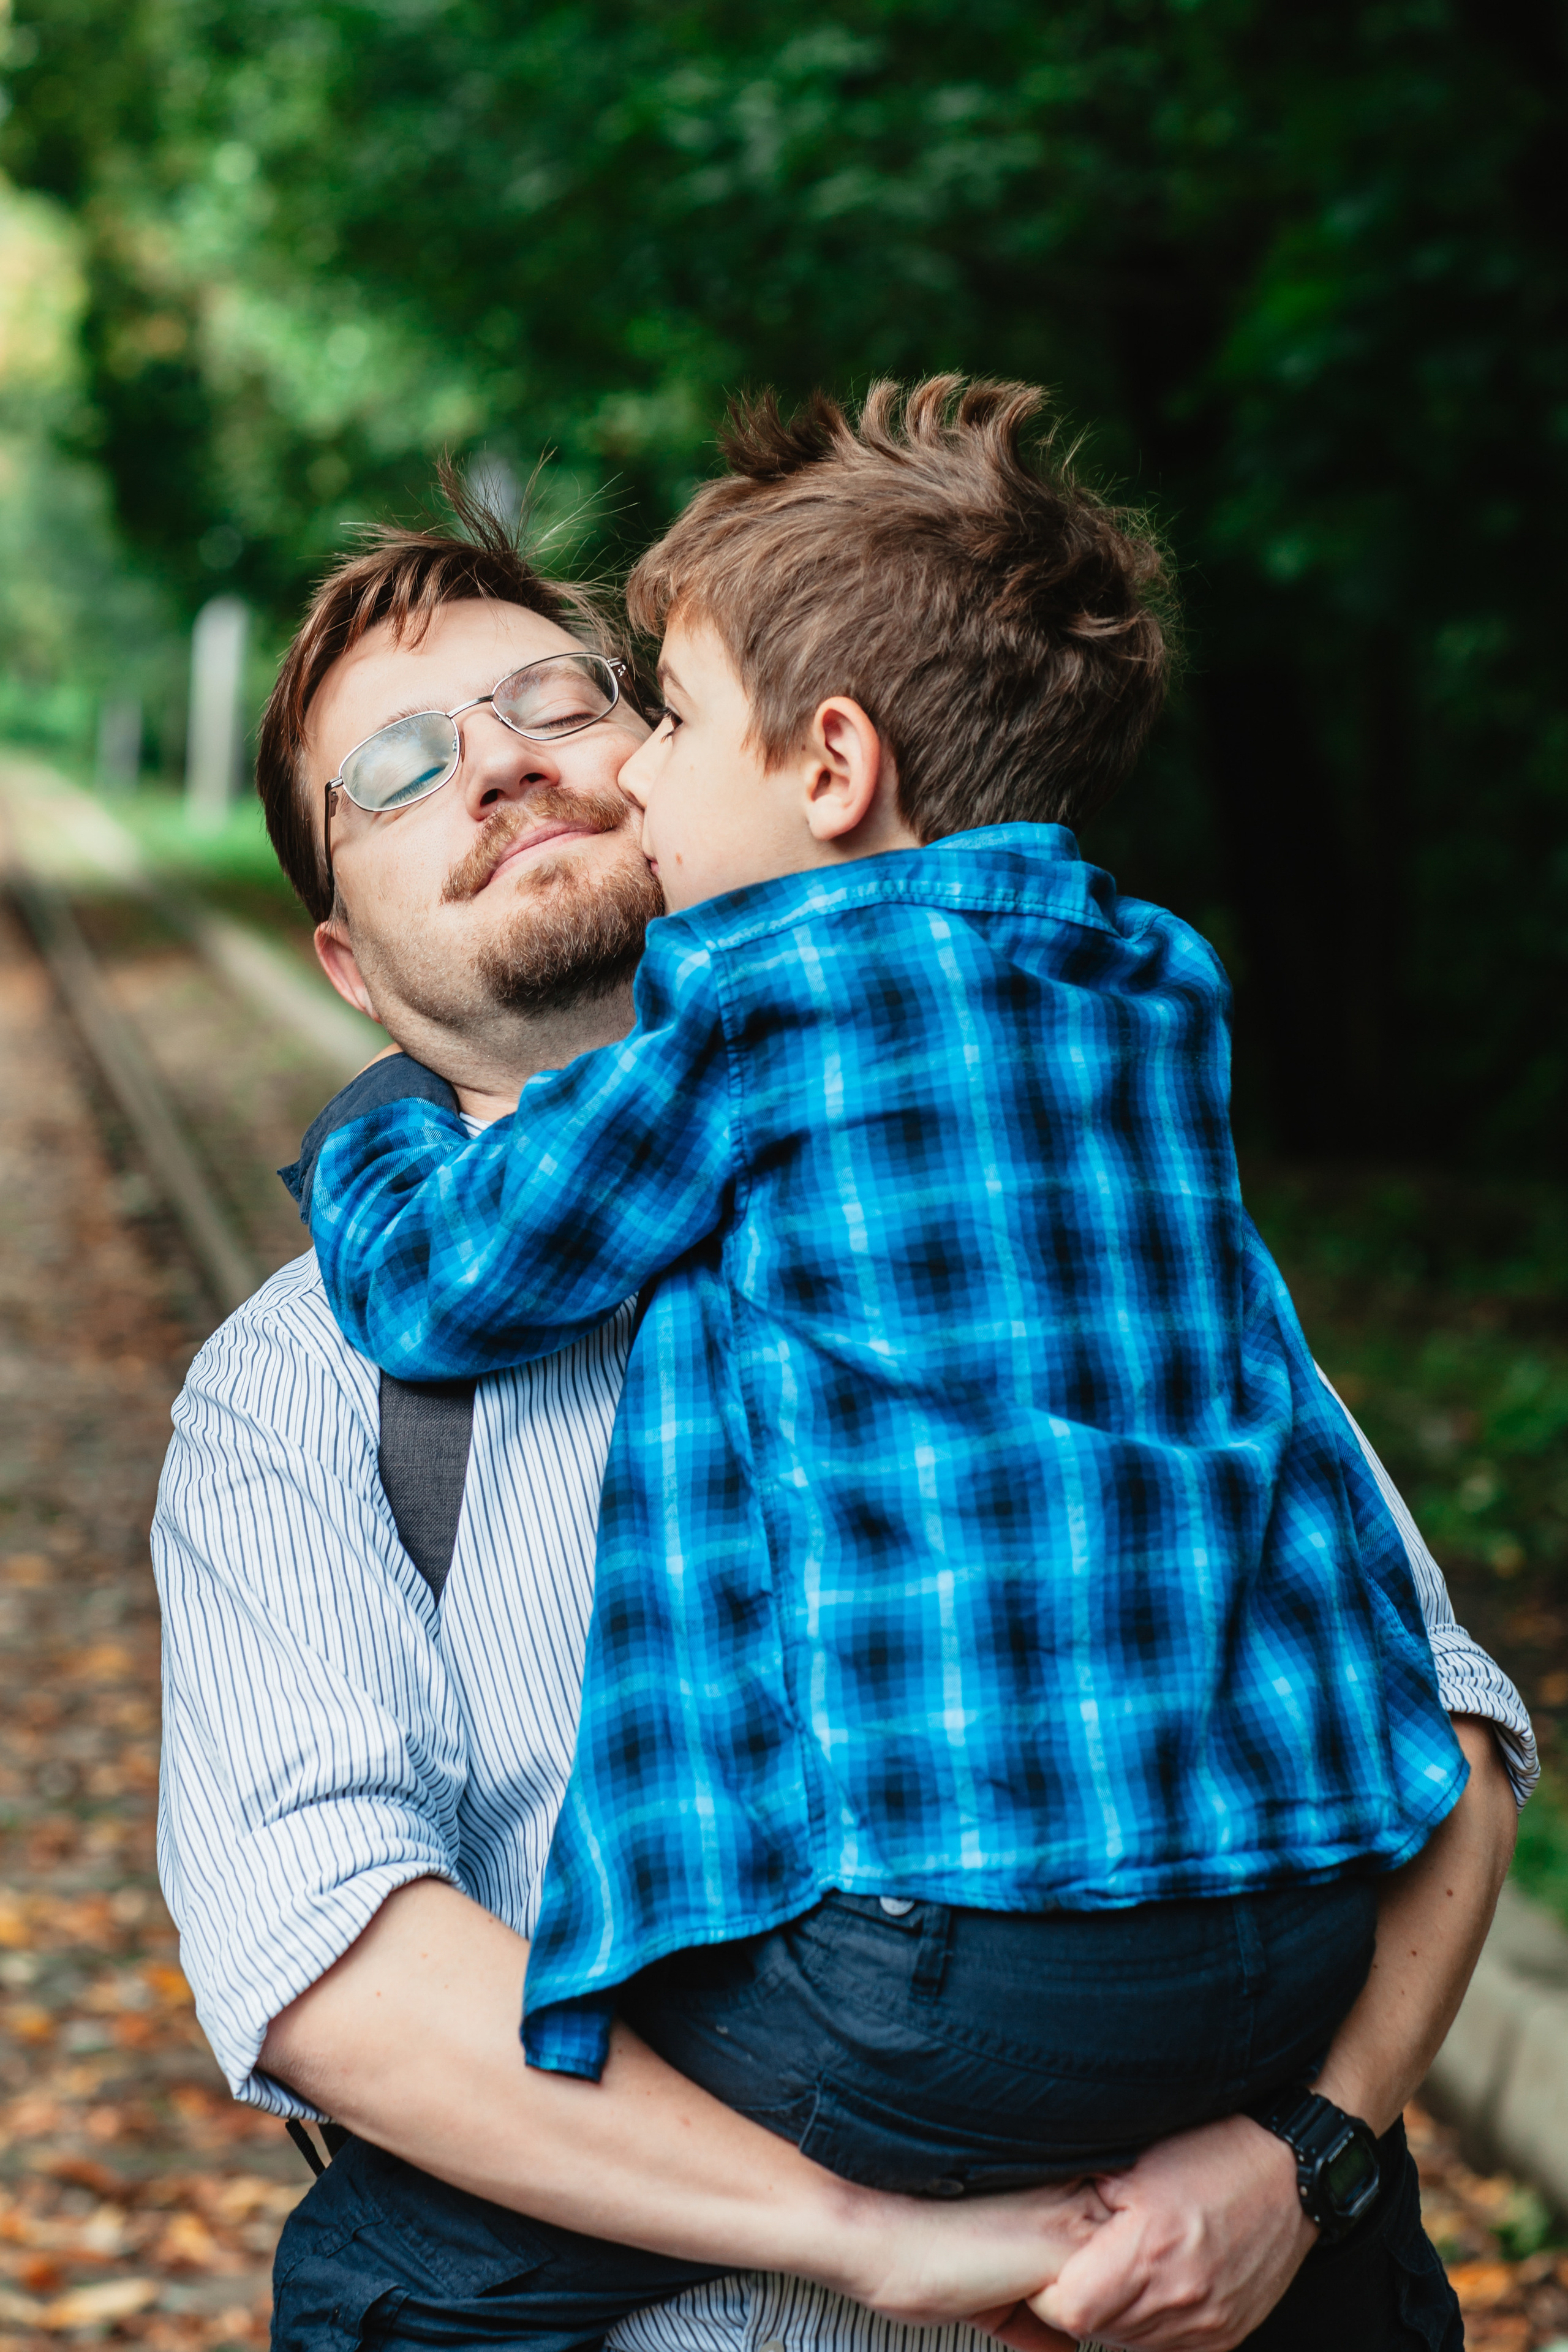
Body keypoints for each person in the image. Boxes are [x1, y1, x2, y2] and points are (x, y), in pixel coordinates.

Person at [153, 481, 1532, 2352]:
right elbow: (328, 1957)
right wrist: (875, 2238)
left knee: (372, 2286)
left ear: (688, 770)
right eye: (397, 766)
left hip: (1131, 2179)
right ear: (342, 955)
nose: (499, 766)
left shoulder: (1042, 1202)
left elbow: (1436, 1715)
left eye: (561, 702)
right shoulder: (296, 1383)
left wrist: (1309, 2149)